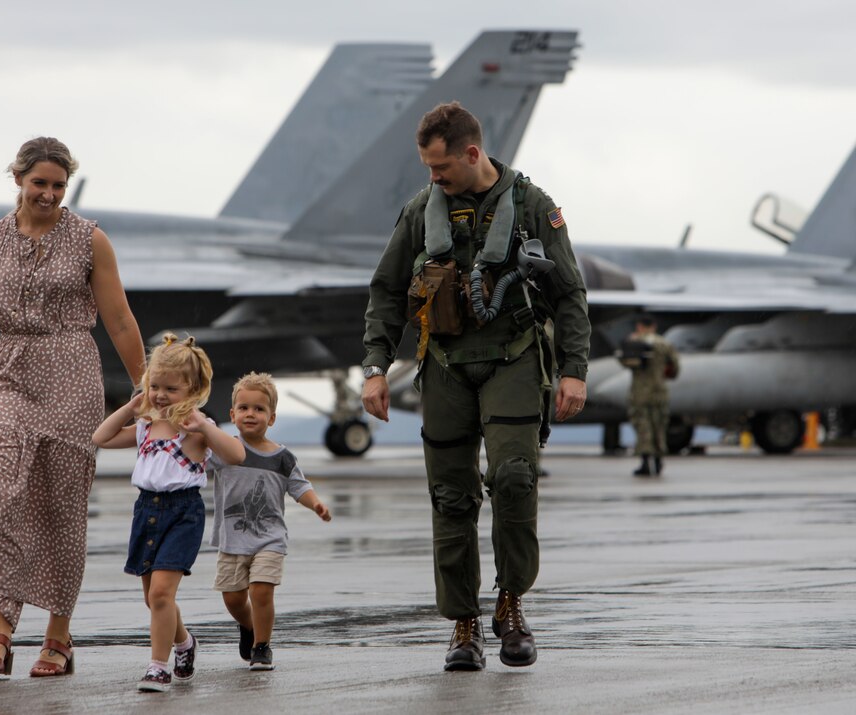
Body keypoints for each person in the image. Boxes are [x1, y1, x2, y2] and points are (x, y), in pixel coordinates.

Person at [361, 102, 591, 671]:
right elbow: (387, 292)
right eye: (427, 169)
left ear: (471, 152)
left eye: (441, 167)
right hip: (443, 362)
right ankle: (463, 624)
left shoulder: (535, 207)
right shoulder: (421, 211)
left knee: (513, 478)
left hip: (513, 357)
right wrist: (374, 368)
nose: (433, 178)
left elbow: (569, 294)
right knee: (451, 497)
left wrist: (573, 369)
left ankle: (511, 604)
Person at [0, 137, 147, 678]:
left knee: (60, 508)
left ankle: (57, 636)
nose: (50, 194)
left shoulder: (89, 240)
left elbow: (120, 319)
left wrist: (145, 390)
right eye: (40, 183)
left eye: (58, 185)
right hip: (8, 373)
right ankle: (0, 631)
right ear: (19, 180)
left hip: (72, 375)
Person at [92, 333, 245, 693]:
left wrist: (205, 426)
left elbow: (236, 455)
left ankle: (157, 667)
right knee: (153, 598)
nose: (160, 395)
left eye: (170, 389)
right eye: (154, 385)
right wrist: (131, 408)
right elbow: (102, 437)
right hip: (146, 509)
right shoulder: (146, 425)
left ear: (192, 389)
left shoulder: (196, 429)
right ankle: (185, 643)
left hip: (182, 513)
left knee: (161, 594)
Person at [207, 372, 331, 671]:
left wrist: (315, 503)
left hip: (269, 538)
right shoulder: (223, 450)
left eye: (259, 409)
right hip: (232, 539)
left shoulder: (281, 457)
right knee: (234, 598)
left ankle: (262, 646)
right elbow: (192, 461)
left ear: (272, 418)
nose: (251, 414)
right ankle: (248, 627)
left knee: (261, 590)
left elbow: (299, 486)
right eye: (244, 408)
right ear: (232, 414)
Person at [618, 314, 680, 476]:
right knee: (659, 426)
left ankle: (646, 463)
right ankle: (659, 462)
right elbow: (675, 369)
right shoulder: (664, 343)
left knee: (643, 426)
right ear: (654, 326)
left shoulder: (633, 342)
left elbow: (623, 361)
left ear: (639, 326)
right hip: (660, 391)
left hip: (639, 392)